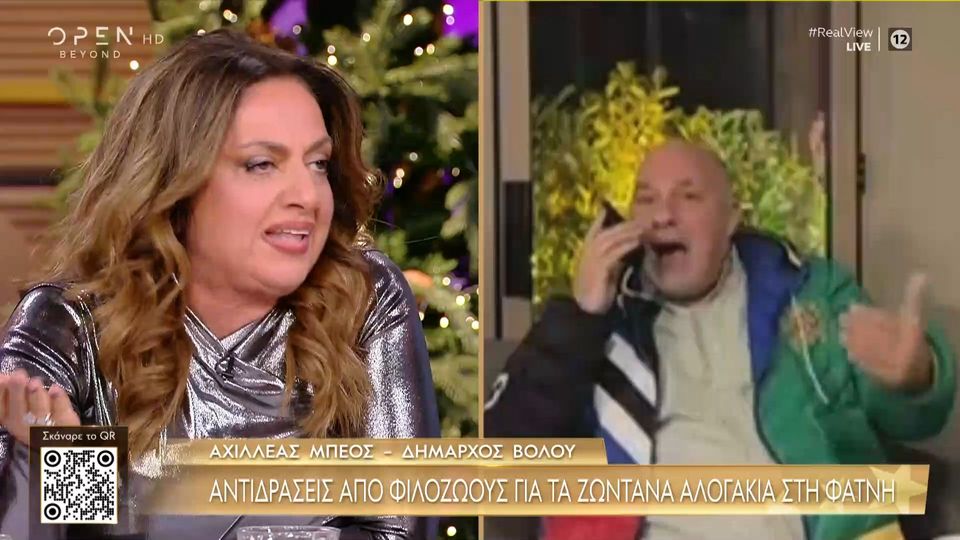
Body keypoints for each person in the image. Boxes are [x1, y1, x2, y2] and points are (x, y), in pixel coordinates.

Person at [0, 30, 439, 539]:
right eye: (261, 164)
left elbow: (398, 531)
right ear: (174, 185)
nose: (307, 195)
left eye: (317, 163)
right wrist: (62, 465)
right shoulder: (69, 322)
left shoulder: (362, 294)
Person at [484, 139, 956, 540]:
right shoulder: (603, 323)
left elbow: (910, 419)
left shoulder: (810, 293)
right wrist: (580, 319)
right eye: (646, 199)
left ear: (732, 218)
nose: (662, 215)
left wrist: (916, 376)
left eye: (688, 196)